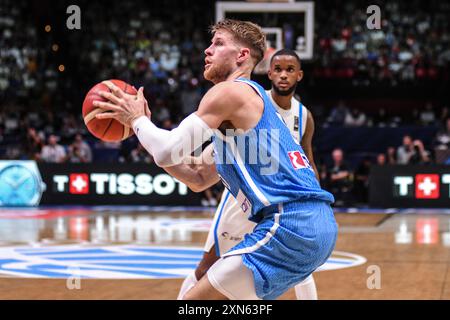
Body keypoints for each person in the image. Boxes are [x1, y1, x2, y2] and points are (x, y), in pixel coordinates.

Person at [94, 19, 337, 300]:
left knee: (192, 303)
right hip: (315, 225)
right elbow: (197, 177)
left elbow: (166, 150)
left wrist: (137, 120)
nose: (207, 51)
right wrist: (145, 131)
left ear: (242, 56)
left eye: (218, 43)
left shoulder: (230, 91)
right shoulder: (239, 120)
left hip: (289, 223)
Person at [177, 49, 320, 300]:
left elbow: (307, 159)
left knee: (302, 266)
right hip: (240, 200)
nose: (283, 75)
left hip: (283, 204)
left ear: (300, 75)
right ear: (269, 73)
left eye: (289, 70)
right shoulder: (252, 101)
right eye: (277, 69)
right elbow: (221, 145)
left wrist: (316, 199)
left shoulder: (303, 116)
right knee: (207, 267)